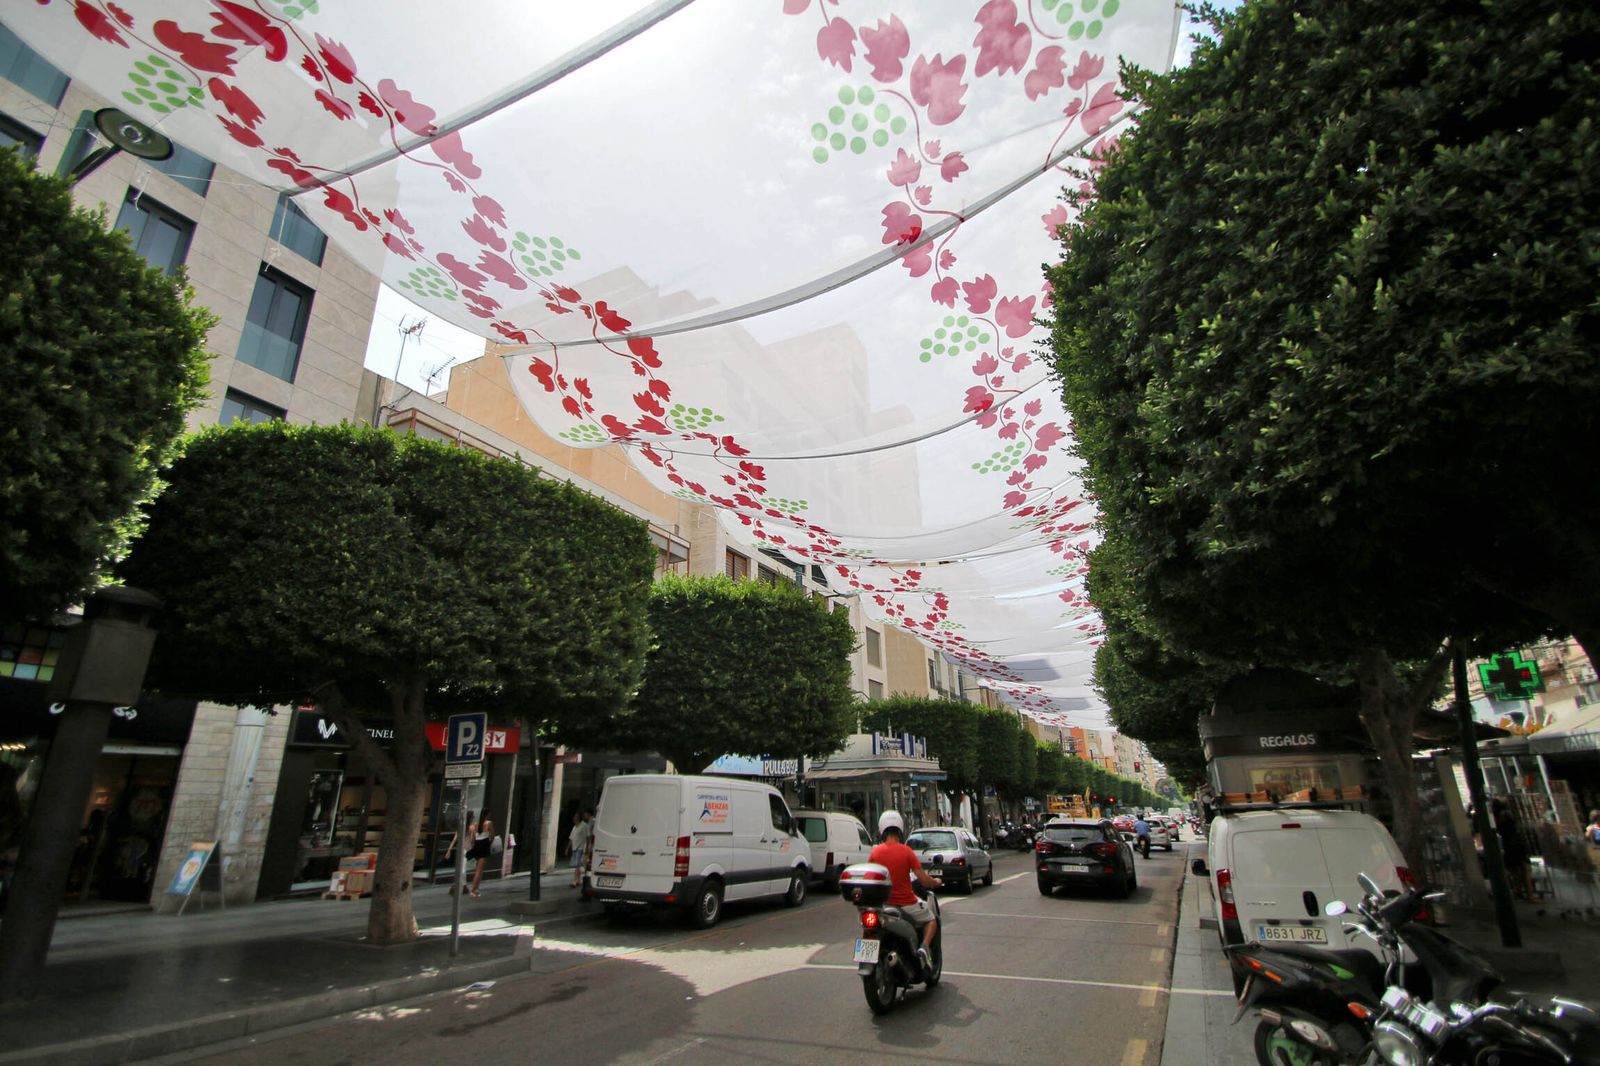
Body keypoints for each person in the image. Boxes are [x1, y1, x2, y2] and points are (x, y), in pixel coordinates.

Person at [868, 810, 942, 972]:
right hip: (907, 904)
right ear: (900, 830)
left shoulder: (875, 852)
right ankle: (924, 948)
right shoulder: (907, 852)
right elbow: (923, 879)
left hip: (883, 906)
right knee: (932, 919)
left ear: (882, 830)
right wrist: (935, 882)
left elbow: (870, 876)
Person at [1492, 798, 1533, 900]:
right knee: (1525, 868)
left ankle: (1517, 890)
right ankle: (1529, 895)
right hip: (1516, 844)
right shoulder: (1506, 814)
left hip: (1508, 845)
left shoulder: (1496, 818)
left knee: (1516, 870)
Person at [467, 811, 494, 898]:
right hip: (484, 845)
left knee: (478, 869)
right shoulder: (488, 823)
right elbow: (492, 835)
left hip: (477, 845)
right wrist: (489, 843)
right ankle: (473, 890)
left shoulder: (475, 825)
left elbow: (472, 840)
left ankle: (476, 888)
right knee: (479, 870)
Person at [568, 810, 593, 888]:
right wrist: (567, 848)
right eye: (574, 817)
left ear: (579, 818)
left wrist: (587, 847)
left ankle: (575, 881)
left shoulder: (584, 825)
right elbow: (571, 838)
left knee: (577, 865)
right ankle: (579, 880)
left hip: (581, 848)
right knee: (578, 865)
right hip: (575, 848)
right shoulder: (574, 827)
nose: (574, 818)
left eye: (576, 817)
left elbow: (588, 837)